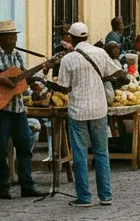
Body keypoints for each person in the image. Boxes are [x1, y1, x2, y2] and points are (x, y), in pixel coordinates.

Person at [48, 22, 122, 206]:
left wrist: (50, 85)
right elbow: (115, 73)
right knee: (101, 152)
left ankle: (84, 197)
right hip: (98, 107)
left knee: (80, 154)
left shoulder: (69, 58)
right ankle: (105, 195)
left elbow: (64, 88)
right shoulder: (100, 53)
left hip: (78, 110)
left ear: (71, 38)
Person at [0, 21, 44, 199]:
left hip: (17, 109)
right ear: (1, 37)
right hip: (0, 108)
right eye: (10, 37)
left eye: (15, 36)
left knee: (25, 146)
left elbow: (21, 77)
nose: (14, 40)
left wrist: (35, 78)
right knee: (0, 150)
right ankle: (3, 186)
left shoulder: (17, 55)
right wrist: (1, 79)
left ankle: (27, 185)